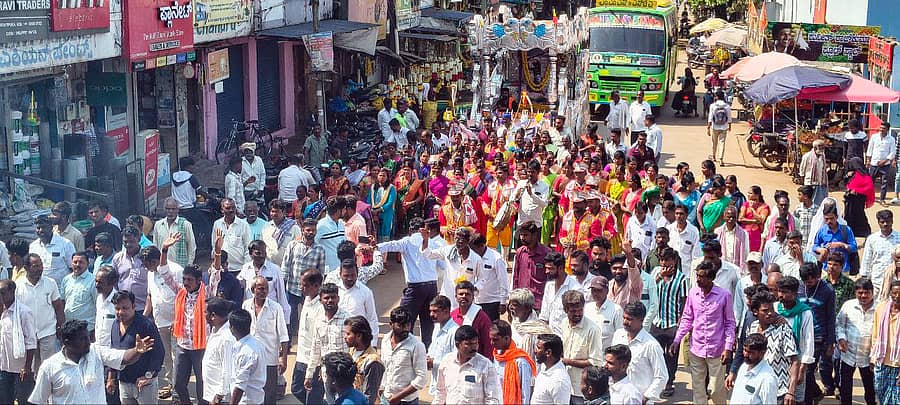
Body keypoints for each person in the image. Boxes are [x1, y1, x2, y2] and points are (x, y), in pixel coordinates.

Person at [28, 319, 155, 404]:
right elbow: (38, 400)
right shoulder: (50, 367)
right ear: (67, 342)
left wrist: (137, 351)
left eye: (88, 337)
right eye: (82, 339)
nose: (88, 342)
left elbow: (124, 358)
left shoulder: (96, 352)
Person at [672, 260, 735, 405]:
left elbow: (730, 323)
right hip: (696, 348)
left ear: (711, 278)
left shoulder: (724, 295)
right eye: (697, 276)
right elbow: (687, 318)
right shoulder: (693, 293)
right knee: (698, 389)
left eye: (702, 277)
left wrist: (728, 347)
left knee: (715, 389)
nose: (698, 279)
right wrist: (677, 339)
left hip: (717, 349)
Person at [108, 290, 165, 405]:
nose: (121, 312)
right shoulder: (115, 325)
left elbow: (159, 352)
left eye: (125, 308)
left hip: (143, 384)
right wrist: (111, 377)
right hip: (124, 383)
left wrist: (149, 375)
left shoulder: (146, 325)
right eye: (117, 308)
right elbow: (113, 354)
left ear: (134, 306)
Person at [646, 248, 688, 397]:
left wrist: (680, 324)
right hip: (656, 322)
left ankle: (669, 382)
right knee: (656, 354)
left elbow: (684, 303)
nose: (665, 263)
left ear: (674, 261)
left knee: (671, 355)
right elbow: (648, 289)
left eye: (668, 260)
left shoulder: (682, 279)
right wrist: (659, 277)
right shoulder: (656, 274)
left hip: (672, 324)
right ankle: (657, 382)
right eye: (662, 260)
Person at [243, 276, 290, 404]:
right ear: (253, 290)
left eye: (266, 289)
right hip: (250, 357)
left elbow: (284, 336)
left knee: (269, 394)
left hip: (269, 359)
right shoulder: (246, 305)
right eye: (261, 288)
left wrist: (283, 358)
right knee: (251, 393)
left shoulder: (276, 308)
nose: (264, 291)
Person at [17, 253, 64, 378]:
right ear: (26, 268)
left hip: (47, 331)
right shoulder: (18, 285)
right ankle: (32, 394)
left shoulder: (50, 283)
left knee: (47, 367)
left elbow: (58, 306)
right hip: (27, 333)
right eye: (35, 266)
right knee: (29, 367)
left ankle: (48, 396)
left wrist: (61, 326)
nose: (40, 268)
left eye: (41, 265)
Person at [611, 302, 667, 403]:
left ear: (641, 320)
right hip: (617, 397)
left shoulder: (651, 345)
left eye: (629, 319)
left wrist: (645, 397)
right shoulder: (618, 336)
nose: (624, 322)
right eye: (624, 317)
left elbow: (662, 376)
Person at [435, 325, 501, 404]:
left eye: (475, 343)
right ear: (457, 345)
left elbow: (492, 399)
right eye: (468, 344)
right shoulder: (447, 362)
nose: (474, 347)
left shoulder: (486, 366)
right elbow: (440, 393)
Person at [799, 262, 837, 401]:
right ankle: (815, 392)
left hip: (818, 337)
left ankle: (809, 399)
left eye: (811, 280)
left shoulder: (827, 290)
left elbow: (831, 317)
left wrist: (830, 342)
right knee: (803, 371)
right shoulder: (798, 287)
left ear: (818, 276)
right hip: (800, 335)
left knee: (808, 370)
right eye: (805, 281)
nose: (808, 283)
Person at [836, 278, 877, 405]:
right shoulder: (848, 306)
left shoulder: (879, 309)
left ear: (872, 292)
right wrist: (841, 338)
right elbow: (839, 324)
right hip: (848, 354)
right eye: (860, 293)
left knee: (870, 390)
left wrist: (875, 356)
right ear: (855, 293)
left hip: (868, 357)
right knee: (845, 389)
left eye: (866, 292)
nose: (863, 296)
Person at [776, 276, 816, 404]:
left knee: (796, 397)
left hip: (796, 359)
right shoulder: (775, 308)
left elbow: (808, 340)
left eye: (785, 292)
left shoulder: (805, 312)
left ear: (794, 294)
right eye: (779, 291)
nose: (781, 295)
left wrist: (802, 369)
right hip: (776, 359)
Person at [559, 290, 604, 403]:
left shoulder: (593, 330)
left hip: (581, 392)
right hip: (564, 386)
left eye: (580, 310)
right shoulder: (564, 323)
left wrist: (567, 361)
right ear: (565, 310)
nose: (578, 314)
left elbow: (595, 363)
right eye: (573, 311)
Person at [378, 306, 428, 405]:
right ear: (391, 324)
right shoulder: (385, 340)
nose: (405, 328)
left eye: (408, 325)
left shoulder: (416, 345)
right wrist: (381, 389)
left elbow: (422, 378)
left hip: (407, 401)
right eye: (401, 325)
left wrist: (398, 397)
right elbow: (385, 367)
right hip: (386, 398)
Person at [290, 269, 325, 404]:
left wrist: (319, 364)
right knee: (296, 388)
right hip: (301, 357)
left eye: (304, 285)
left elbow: (319, 339)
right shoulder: (306, 299)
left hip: (313, 360)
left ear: (316, 286)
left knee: (313, 397)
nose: (301, 288)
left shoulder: (320, 307)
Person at [0, 279, 36, 405]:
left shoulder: (24, 312)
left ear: (12, 291)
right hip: (3, 367)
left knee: (24, 401)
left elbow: (31, 342)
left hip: (21, 369)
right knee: (4, 400)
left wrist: (27, 367)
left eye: (2, 293)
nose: (0, 296)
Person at [490, 319, 536, 404]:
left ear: (507, 338)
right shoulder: (496, 358)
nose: (492, 343)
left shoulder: (521, 362)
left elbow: (525, 395)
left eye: (495, 340)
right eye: (491, 339)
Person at [228, 309, 267, 404]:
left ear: (232, 328)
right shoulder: (258, 344)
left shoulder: (245, 353)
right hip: (257, 399)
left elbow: (240, 386)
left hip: (246, 401)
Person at [871, 280, 900, 404]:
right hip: (881, 361)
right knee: (881, 395)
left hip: (898, 364)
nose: (897, 297)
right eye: (894, 293)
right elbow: (875, 334)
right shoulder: (881, 308)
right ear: (890, 293)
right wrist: (872, 358)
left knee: (896, 399)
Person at [343, 315, 384, 405]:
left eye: (348, 334)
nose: (345, 337)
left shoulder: (373, 361)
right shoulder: (352, 351)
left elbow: (369, 396)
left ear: (359, 335)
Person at [201, 297, 235, 405]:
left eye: (205, 312)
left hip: (221, 399)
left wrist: (218, 397)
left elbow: (227, 370)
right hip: (211, 395)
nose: (203, 314)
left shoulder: (226, 338)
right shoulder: (215, 330)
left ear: (213, 316)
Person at [512, 222, 552, 312]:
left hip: (538, 303)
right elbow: (516, 277)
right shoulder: (520, 252)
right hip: (521, 301)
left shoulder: (547, 253)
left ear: (534, 235)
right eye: (521, 235)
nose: (522, 238)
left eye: (525, 235)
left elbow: (551, 279)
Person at [729, 333, 779, 404]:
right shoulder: (744, 367)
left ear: (762, 353)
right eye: (745, 350)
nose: (745, 354)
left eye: (750, 352)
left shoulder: (767, 380)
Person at [470, 233, 509, 321]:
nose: (471, 252)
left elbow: (503, 281)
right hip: (475, 301)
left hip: (492, 303)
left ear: (481, 246)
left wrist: (503, 302)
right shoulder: (472, 257)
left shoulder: (496, 258)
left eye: (474, 249)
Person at [812, 201, 859, 273]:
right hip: (827, 269)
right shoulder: (822, 231)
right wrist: (820, 250)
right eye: (826, 219)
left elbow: (854, 247)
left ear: (836, 217)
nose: (829, 221)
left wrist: (842, 245)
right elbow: (814, 246)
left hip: (843, 269)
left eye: (831, 218)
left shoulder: (846, 230)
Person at [29, 214, 75, 287]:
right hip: (41, 289)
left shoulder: (65, 244)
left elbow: (73, 268)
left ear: (51, 227)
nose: (41, 230)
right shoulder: (33, 246)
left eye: (44, 227)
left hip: (61, 289)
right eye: (38, 228)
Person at [862, 210, 900, 297]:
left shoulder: (899, 238)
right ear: (878, 222)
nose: (885, 224)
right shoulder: (872, 239)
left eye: (888, 221)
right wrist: (865, 278)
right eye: (882, 222)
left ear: (892, 221)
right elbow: (867, 259)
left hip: (895, 283)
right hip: (876, 282)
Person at [427, 295, 458, 398]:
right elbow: (432, 350)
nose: (431, 314)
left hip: (449, 388)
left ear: (446, 311)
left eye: (435, 311)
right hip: (436, 385)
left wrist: (434, 363)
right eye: (430, 311)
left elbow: (457, 361)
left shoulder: (455, 332)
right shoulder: (436, 327)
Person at [212, 198, 252, 272]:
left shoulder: (243, 225)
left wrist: (246, 269)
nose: (231, 210)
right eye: (228, 208)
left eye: (233, 208)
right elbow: (214, 246)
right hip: (222, 269)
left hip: (239, 269)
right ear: (222, 210)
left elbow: (248, 248)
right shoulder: (217, 224)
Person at [532, 333, 573, 403]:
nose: (535, 351)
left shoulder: (559, 381)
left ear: (548, 353)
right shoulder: (544, 367)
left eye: (538, 348)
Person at [61, 251, 96, 328]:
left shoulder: (93, 281)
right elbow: (62, 302)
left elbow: (98, 304)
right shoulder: (66, 280)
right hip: (69, 326)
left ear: (87, 264)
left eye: (81, 262)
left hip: (87, 328)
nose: (77, 265)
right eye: (75, 262)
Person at [261, 199, 300, 267]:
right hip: (269, 266)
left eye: (277, 211)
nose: (274, 214)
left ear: (284, 212)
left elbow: (299, 248)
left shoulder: (294, 228)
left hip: (288, 266)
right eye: (272, 211)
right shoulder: (266, 226)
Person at [845, 157, 876, 239]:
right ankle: (851, 232)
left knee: (860, 215)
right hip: (850, 200)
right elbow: (846, 184)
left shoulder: (865, 176)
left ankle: (865, 232)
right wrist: (847, 176)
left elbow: (869, 187)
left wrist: (857, 191)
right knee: (849, 216)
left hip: (858, 200)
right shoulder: (852, 174)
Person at [514, 160, 551, 231]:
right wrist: (516, 196)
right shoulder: (521, 183)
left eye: (533, 172)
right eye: (528, 172)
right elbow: (512, 200)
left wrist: (532, 195)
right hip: (522, 223)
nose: (530, 174)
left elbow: (544, 204)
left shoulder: (544, 186)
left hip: (536, 225)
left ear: (538, 172)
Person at [316, 196, 347, 271]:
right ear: (338, 210)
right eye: (344, 208)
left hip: (341, 269)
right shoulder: (321, 225)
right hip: (327, 271)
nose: (345, 211)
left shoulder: (341, 223)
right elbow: (313, 245)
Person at [715, 206, 750, 272]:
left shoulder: (743, 233)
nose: (731, 219)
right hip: (722, 267)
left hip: (737, 268)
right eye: (728, 217)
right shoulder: (717, 232)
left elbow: (746, 253)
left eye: (733, 217)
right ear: (724, 217)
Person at [800, 140, 830, 206]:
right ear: (815, 148)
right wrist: (804, 185)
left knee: (820, 203)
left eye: (823, 147)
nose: (822, 149)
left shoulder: (822, 156)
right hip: (810, 183)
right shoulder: (807, 156)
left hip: (820, 183)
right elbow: (802, 171)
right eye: (821, 147)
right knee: (809, 202)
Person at [705, 91, 732, 165]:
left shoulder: (713, 105)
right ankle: (721, 159)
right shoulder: (727, 106)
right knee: (722, 143)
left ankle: (713, 156)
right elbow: (729, 117)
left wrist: (708, 127)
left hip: (715, 127)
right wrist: (729, 126)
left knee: (714, 142)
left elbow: (710, 117)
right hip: (724, 127)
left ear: (716, 97)